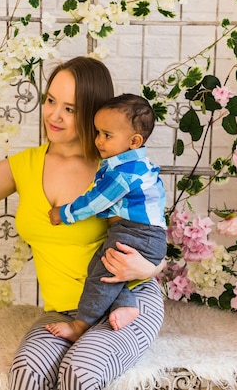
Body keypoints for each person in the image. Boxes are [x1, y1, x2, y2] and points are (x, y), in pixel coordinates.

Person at [0, 57, 165, 390]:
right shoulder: (25, 165)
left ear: (93, 112)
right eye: (50, 101)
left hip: (128, 303)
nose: (54, 115)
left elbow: (152, 241)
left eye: (70, 109)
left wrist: (144, 270)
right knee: (27, 373)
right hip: (65, 312)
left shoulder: (113, 172)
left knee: (80, 371)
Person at [45, 93, 167, 343]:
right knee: (101, 267)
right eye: (97, 132)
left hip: (138, 235)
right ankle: (126, 305)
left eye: (107, 135)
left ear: (134, 141)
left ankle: (80, 324)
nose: (99, 140)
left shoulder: (124, 173)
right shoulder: (135, 166)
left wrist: (63, 214)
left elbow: (94, 203)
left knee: (101, 275)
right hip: (143, 235)